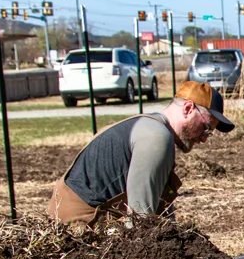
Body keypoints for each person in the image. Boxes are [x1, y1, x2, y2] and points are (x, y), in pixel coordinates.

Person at [46, 81, 233, 226]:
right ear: (188, 108)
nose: (204, 139)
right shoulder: (156, 137)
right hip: (78, 229)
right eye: (205, 128)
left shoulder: (146, 125)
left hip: (78, 219)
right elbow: (142, 222)